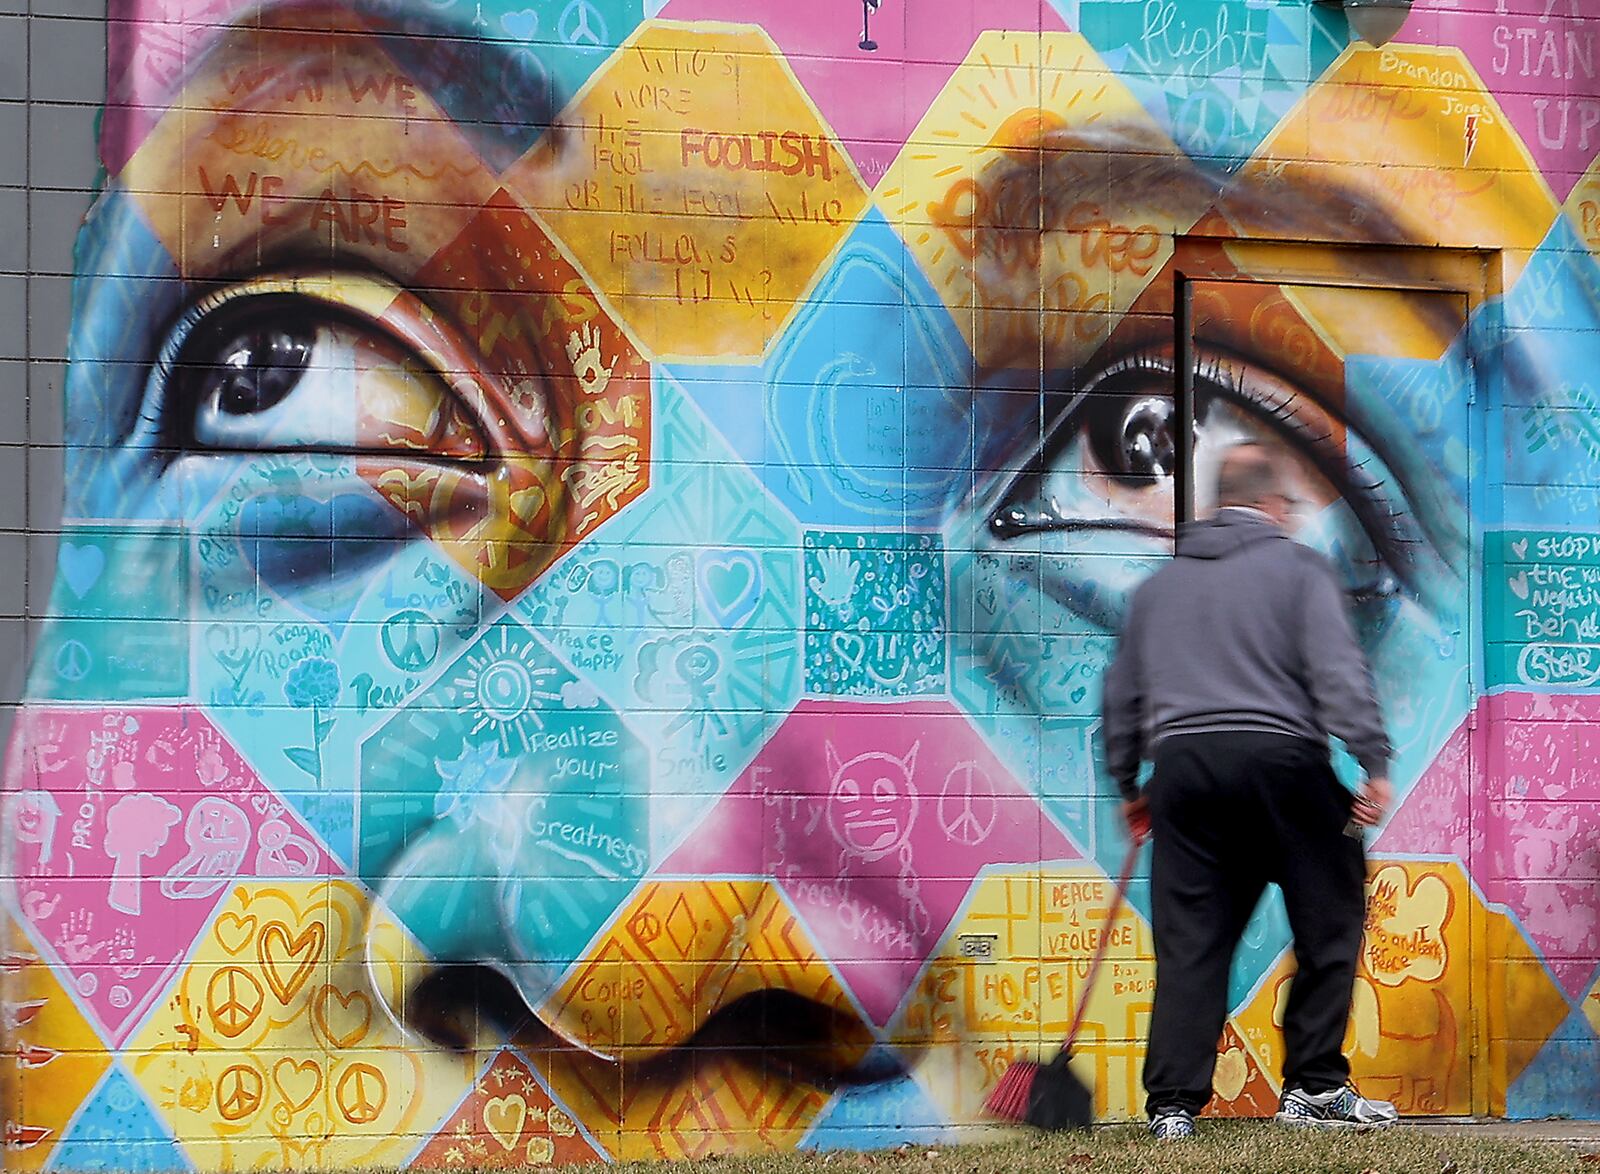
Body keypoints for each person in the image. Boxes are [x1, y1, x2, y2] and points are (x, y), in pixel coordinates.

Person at [1101, 441, 1398, 1139]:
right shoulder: (1300, 570)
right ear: (1271, 505)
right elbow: (1337, 670)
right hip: (1283, 766)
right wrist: (1372, 759)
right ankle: (1316, 1088)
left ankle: (1173, 1106)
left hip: (1185, 774)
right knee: (1331, 915)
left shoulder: (1158, 588)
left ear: (1216, 505)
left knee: (1193, 940)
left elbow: (1122, 697)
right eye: (1288, 507)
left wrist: (1128, 784)